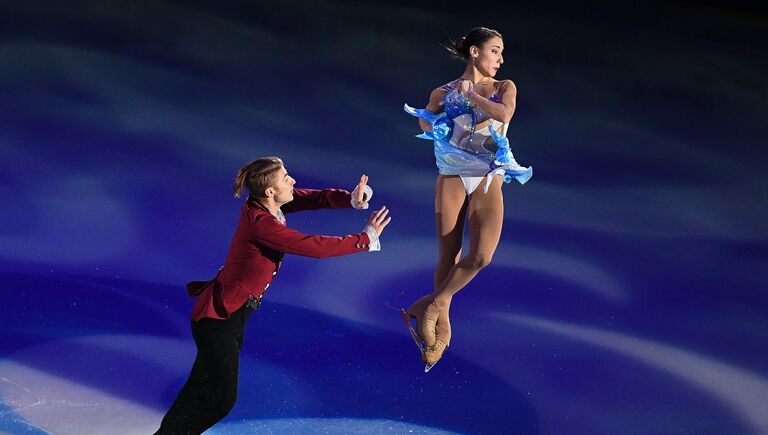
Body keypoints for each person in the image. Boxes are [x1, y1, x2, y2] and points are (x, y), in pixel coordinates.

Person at [155, 156, 391, 434]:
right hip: (218, 318)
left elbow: (311, 198)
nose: (292, 180)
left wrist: (350, 198)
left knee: (200, 387)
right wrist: (365, 238)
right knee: (221, 400)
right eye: (285, 178)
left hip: (230, 314)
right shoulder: (261, 225)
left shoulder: (267, 205)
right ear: (270, 191)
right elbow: (315, 247)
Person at [401, 27, 532, 372]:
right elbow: (426, 123)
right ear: (474, 52)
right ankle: (440, 334)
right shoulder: (442, 91)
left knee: (481, 256)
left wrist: (471, 97)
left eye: (502, 52)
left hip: (490, 176)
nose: (501, 59)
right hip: (452, 175)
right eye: (495, 51)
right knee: (449, 255)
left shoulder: (504, 87)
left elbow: (504, 115)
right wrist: (439, 113)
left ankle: (431, 304)